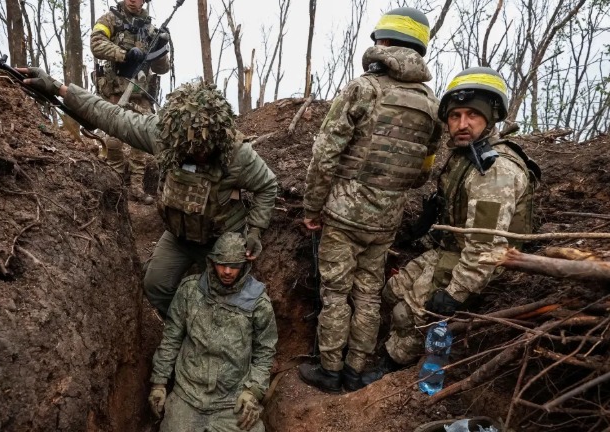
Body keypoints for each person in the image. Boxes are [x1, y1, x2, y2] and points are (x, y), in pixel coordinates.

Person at [18, 69, 277, 318]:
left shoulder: (237, 155)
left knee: (228, 296)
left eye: (202, 152)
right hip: (179, 235)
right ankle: (185, 327)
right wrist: (57, 88)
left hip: (222, 238)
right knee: (155, 286)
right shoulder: (164, 137)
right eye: (189, 149)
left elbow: (267, 186)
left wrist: (254, 231)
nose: (195, 155)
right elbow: (111, 116)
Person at [298, 7, 443, 393]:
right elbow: (424, 171)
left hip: (344, 216)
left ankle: (330, 371)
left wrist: (312, 209)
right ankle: (356, 373)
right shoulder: (432, 103)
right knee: (367, 296)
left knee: (336, 296)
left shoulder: (363, 88)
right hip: (385, 221)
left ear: (383, 43)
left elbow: (325, 155)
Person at [374, 66, 540, 378]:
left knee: (406, 312)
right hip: (453, 249)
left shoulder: (494, 171)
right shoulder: (467, 155)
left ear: (490, 118)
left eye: (472, 115)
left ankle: (392, 368)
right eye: (455, 116)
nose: (462, 124)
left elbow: (484, 250)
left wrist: (454, 294)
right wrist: (421, 234)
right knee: (391, 291)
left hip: (486, 263)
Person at [147, 232, 277, 432]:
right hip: (188, 395)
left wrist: (253, 391)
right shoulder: (190, 290)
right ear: (211, 261)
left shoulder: (258, 303)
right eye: (222, 264)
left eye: (234, 266)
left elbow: (265, 351)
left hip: (231, 399)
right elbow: (171, 338)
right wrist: (159, 382)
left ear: (244, 265)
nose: (227, 271)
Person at [91, 0, 170, 204]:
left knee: (141, 142)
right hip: (116, 90)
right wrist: (124, 54)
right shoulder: (111, 19)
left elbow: (162, 68)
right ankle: (114, 183)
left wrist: (161, 47)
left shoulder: (151, 28)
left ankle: (136, 187)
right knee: (114, 138)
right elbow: (96, 43)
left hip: (141, 93)